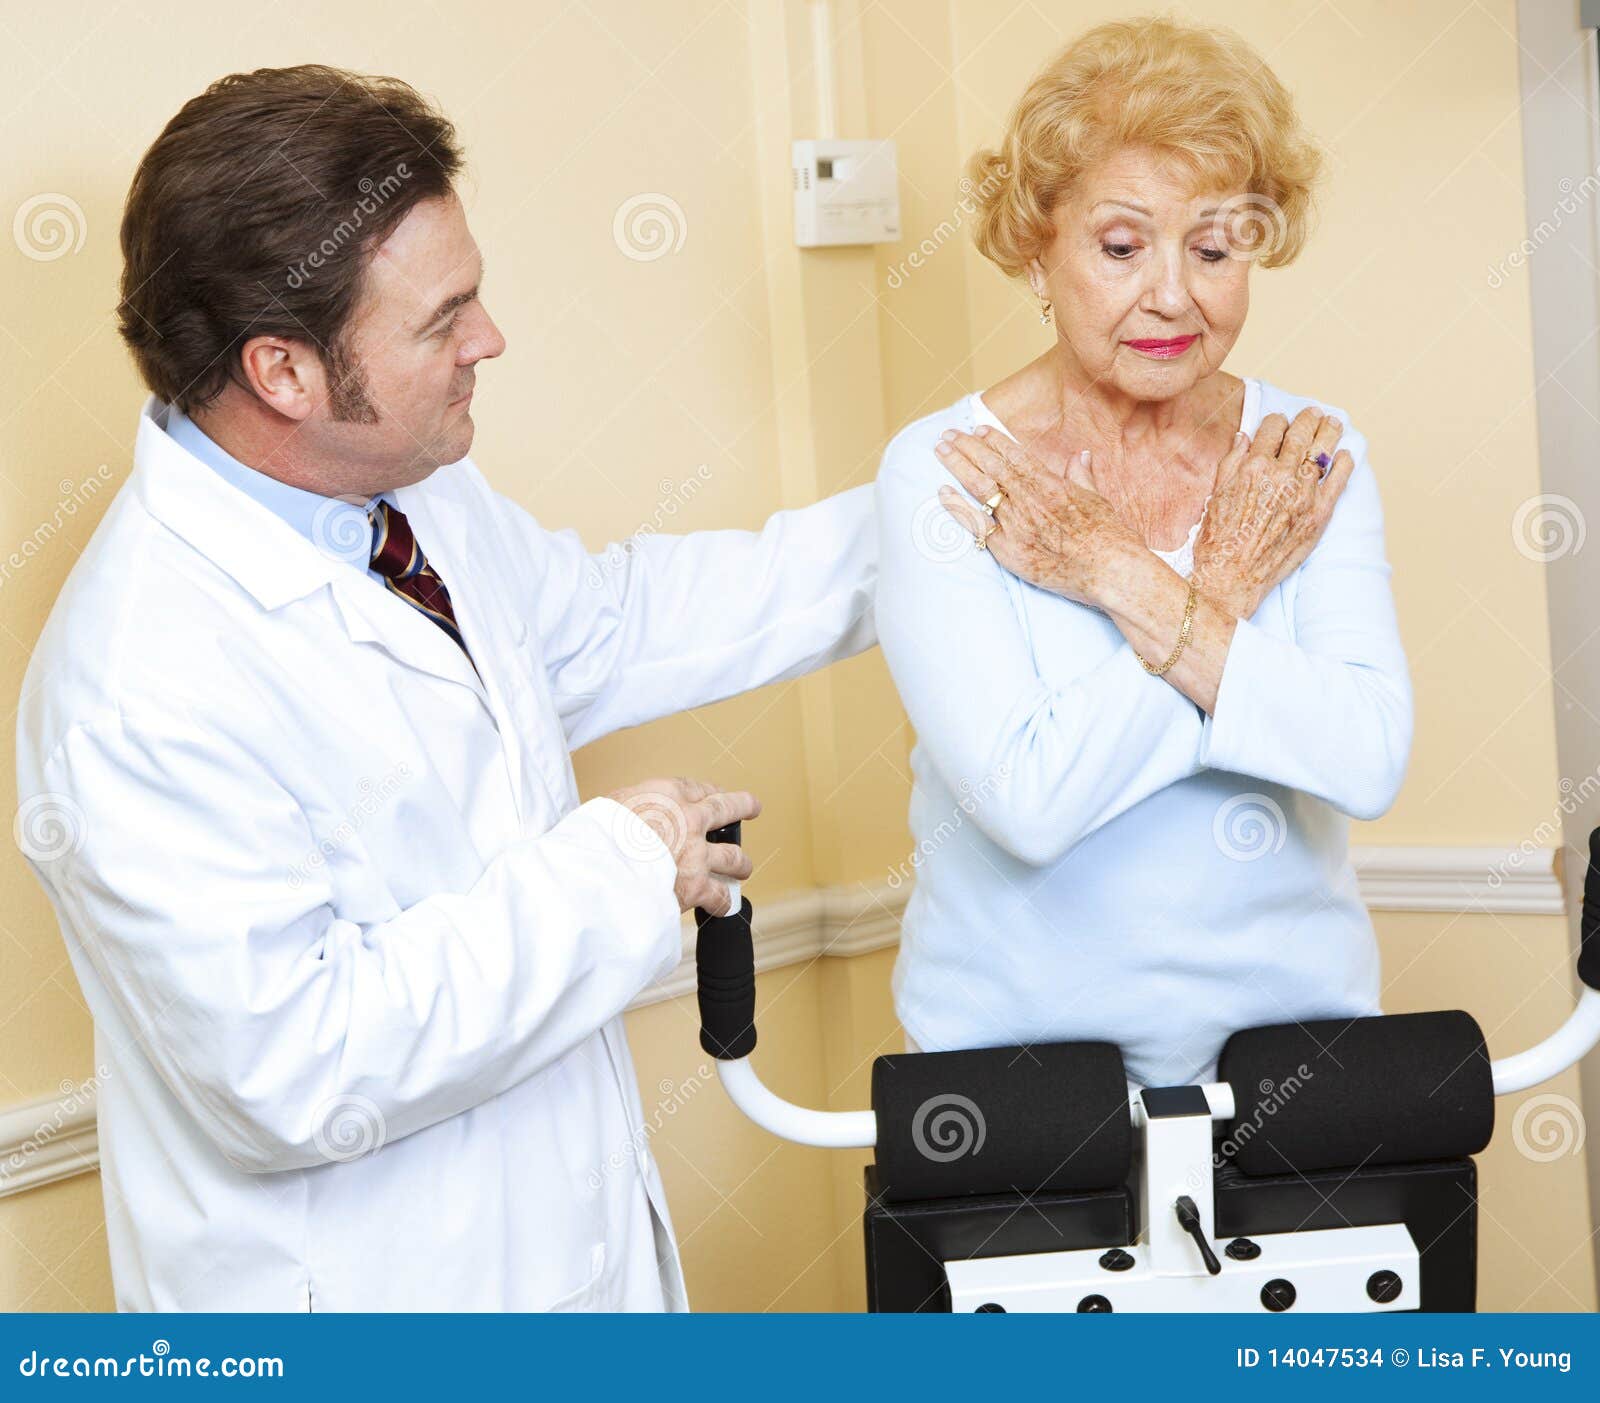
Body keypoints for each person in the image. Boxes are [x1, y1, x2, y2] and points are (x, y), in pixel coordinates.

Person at [11, 64, 885, 1313]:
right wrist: (621, 863)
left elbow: (613, 625)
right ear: (285, 373)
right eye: (444, 318)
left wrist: (948, 510)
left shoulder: (407, 493)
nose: (490, 339)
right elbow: (296, 1066)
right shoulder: (136, 682)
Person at [875, 17, 1414, 1090]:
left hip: (1300, 1061)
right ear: (1039, 243)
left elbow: (1363, 755)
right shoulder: (947, 469)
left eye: (1213, 249)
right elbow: (1028, 804)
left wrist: (1116, 573)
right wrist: (1224, 597)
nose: (1173, 295)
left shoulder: (1302, 455)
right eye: (1122, 248)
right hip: (1016, 1080)